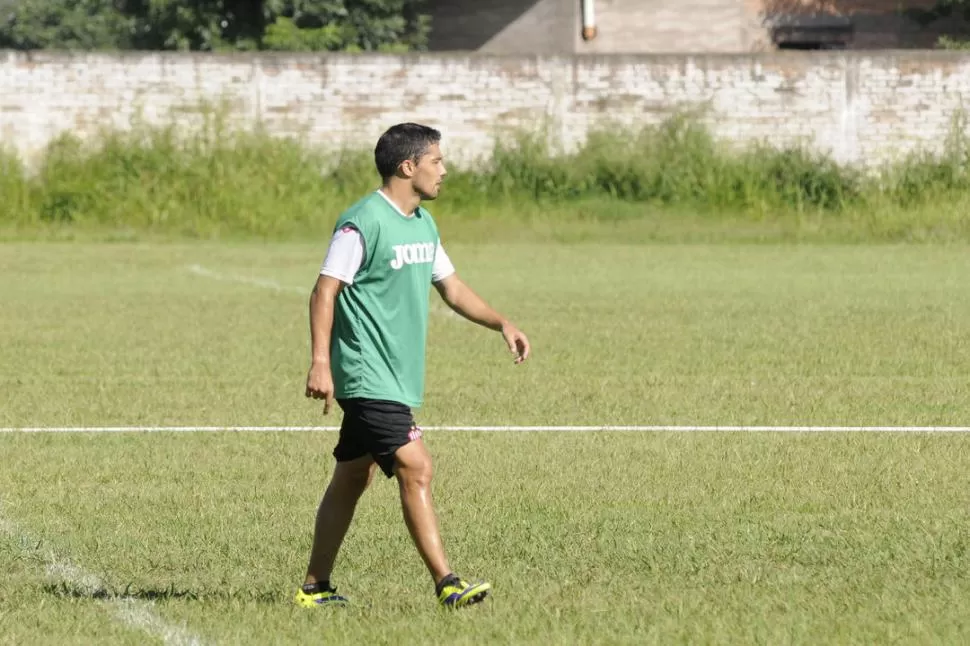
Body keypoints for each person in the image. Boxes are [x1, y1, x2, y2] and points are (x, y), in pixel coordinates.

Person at [294, 123, 531, 610]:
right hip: (366, 373)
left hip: (397, 378)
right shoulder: (362, 222)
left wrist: (501, 322)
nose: (444, 170)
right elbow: (324, 291)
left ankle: (314, 587)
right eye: (436, 161)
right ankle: (447, 583)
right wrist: (321, 362)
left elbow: (452, 288)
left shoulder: (422, 222)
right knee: (416, 467)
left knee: (351, 477)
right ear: (408, 167)